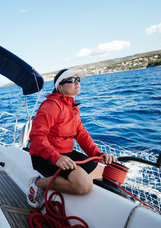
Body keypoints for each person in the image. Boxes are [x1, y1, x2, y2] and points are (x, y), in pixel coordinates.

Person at [26, 68, 117, 208]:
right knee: (84, 185)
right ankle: (38, 184)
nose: (76, 83)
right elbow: (37, 136)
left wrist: (98, 155)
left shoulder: (73, 108)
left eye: (78, 80)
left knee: (107, 173)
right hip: (45, 156)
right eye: (71, 80)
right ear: (59, 87)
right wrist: (56, 157)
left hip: (66, 154)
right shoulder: (51, 106)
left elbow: (81, 135)